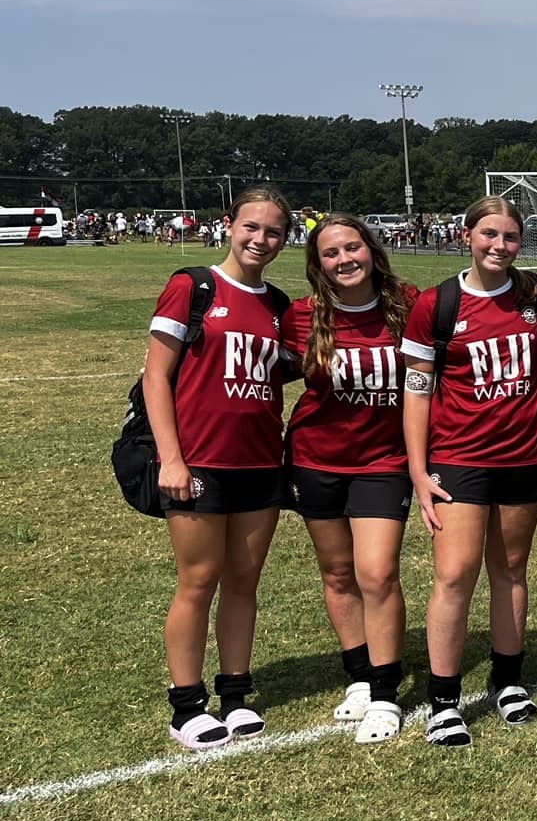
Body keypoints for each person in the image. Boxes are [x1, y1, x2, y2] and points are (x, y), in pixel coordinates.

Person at [400, 196, 537, 748]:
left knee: (512, 569)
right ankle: (444, 700)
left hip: (525, 454)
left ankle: (508, 679)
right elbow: (417, 391)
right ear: (465, 234)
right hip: (459, 459)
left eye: (510, 237)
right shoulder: (438, 303)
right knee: (454, 575)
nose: (499, 246)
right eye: (488, 234)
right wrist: (419, 472)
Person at [142, 185, 296, 750]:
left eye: (273, 232)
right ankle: (186, 706)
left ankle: (234, 694)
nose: (261, 240)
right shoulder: (194, 287)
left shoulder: (279, 305)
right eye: (252, 227)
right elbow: (156, 377)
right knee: (198, 580)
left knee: (244, 582)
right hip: (198, 462)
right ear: (229, 224)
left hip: (260, 464)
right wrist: (172, 458)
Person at [282, 214, 417, 745]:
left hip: (384, 462)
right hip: (316, 459)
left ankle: (385, 693)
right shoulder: (300, 316)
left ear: (371, 249)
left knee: (378, 573)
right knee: (338, 574)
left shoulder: (407, 304)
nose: (344, 260)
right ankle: (360, 676)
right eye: (331, 253)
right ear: (318, 264)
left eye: (352, 247)